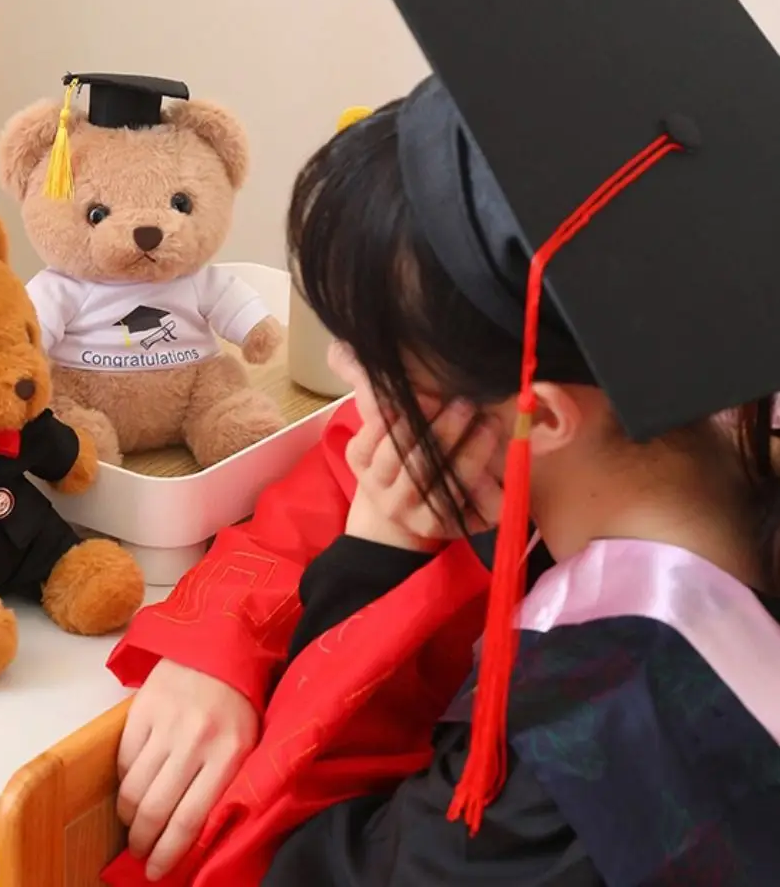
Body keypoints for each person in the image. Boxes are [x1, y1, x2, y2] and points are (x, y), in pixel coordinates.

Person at [256, 0, 780, 886]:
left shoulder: (560, 778)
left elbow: (299, 858)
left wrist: (373, 561)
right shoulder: (737, 456)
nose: (338, 365)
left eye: (371, 353)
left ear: (539, 412)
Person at [103, 339, 553, 885]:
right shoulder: (435, 424)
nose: (341, 365)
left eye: (368, 341)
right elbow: (302, 517)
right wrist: (216, 649)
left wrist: (375, 557)